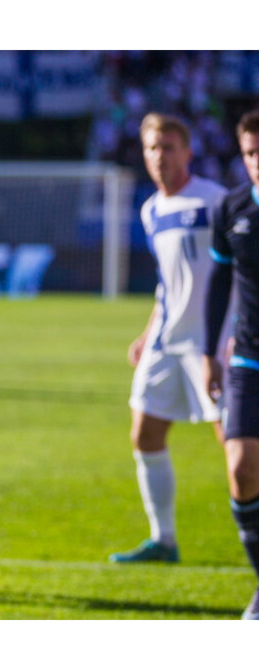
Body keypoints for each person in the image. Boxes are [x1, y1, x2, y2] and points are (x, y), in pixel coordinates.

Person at [111, 112, 230, 564]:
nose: (159, 156)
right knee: (145, 433)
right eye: (152, 148)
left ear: (188, 152)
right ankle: (163, 541)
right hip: (166, 341)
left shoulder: (216, 201)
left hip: (214, 342)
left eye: (168, 147)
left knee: (237, 446)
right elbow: (168, 281)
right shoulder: (151, 210)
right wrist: (147, 333)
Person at [204, 108, 259, 620]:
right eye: (250, 153)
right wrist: (208, 353)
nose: (257, 161)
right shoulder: (232, 207)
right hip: (247, 357)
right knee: (241, 468)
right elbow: (219, 283)